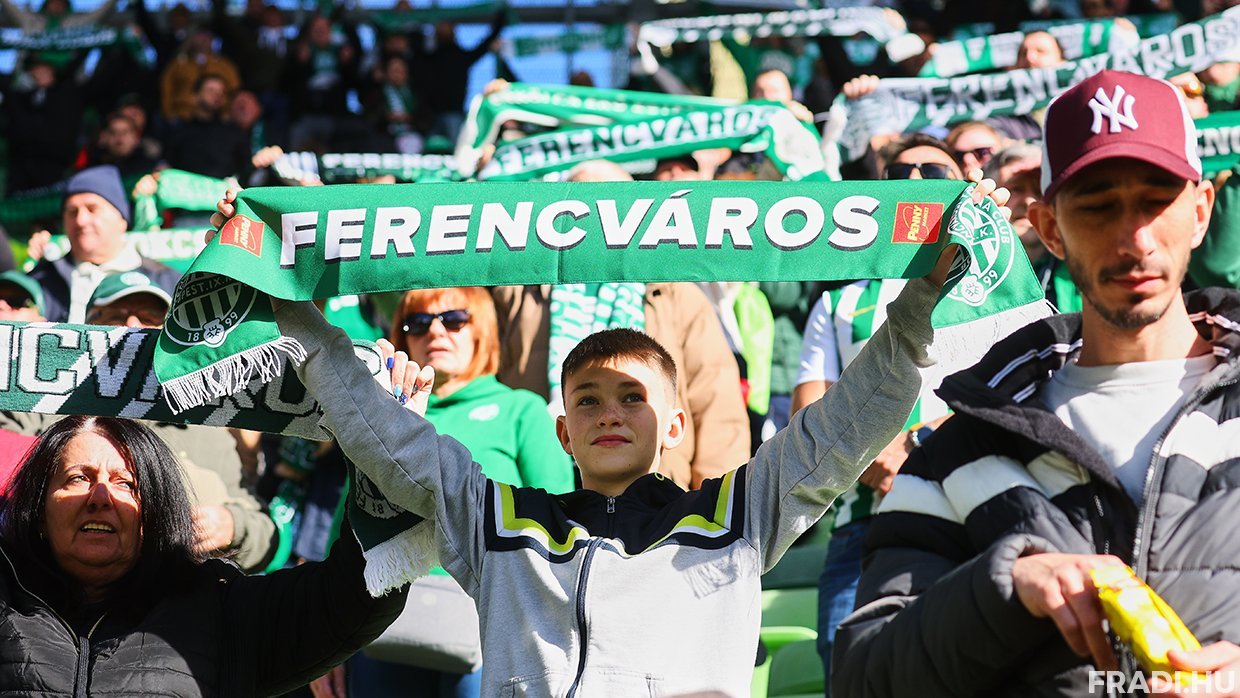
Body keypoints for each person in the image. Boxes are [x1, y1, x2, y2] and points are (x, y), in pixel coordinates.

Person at [833, 70, 1240, 697]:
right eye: (1097, 205)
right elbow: (864, 677)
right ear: (1049, 228)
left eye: (1156, 199)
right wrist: (1003, 587)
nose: (1134, 239)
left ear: (1201, 211)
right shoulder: (960, 450)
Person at [0, 415, 406, 694]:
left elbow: (354, 596)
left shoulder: (217, 607)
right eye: (78, 478)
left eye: (127, 484)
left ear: (158, 507)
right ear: (38, 503)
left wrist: (385, 450)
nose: (101, 496)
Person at [349, 286, 574, 697]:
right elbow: (351, 523)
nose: (435, 332)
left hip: (491, 615)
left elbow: (560, 524)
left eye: (454, 319)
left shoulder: (521, 409)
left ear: (482, 330)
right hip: (381, 618)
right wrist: (328, 647)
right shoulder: (382, 414)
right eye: (417, 323)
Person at [798, 132, 961, 694]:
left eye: (933, 172)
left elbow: (1006, 398)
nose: (915, 181)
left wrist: (912, 448)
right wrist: (875, 455)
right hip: (858, 528)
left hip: (963, 514)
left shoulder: (992, 296)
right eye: (899, 173)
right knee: (849, 677)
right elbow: (811, 413)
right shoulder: (837, 301)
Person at [490, 160, 751, 491]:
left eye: (611, 202)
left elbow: (717, 407)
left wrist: (713, 504)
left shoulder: (675, 294)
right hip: (543, 493)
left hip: (659, 497)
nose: (594, 214)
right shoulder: (521, 290)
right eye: (579, 203)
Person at [84, 271, 280, 573]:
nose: (133, 326)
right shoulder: (52, 413)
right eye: (116, 317)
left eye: (148, 318)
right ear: (86, 327)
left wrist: (232, 525)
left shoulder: (205, 424)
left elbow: (265, 533)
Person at [26, 165, 180, 323]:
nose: (81, 221)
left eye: (92, 209)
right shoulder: (41, 280)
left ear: (122, 218)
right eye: (72, 212)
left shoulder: (168, 281)